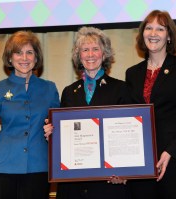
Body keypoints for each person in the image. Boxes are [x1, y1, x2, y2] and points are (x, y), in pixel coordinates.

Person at [44, 26, 131, 199]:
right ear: (79, 56)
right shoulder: (69, 92)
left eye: (95, 49)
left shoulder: (122, 89)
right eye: (85, 50)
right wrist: (52, 134)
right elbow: (64, 135)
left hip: (108, 184)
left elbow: (128, 135)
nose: (90, 54)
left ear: (104, 54)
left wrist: (125, 172)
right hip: (73, 184)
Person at [125, 10, 176, 199]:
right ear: (142, 34)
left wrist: (170, 152)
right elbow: (128, 119)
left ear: (169, 36)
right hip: (143, 165)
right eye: (149, 28)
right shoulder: (132, 73)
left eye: (160, 29)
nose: (153, 33)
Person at [0, 30, 60, 199]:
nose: (24, 58)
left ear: (36, 58)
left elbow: (58, 130)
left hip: (39, 168)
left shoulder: (49, 89)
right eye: (18, 52)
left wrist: (53, 131)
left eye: (29, 52)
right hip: (2, 171)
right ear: (10, 58)